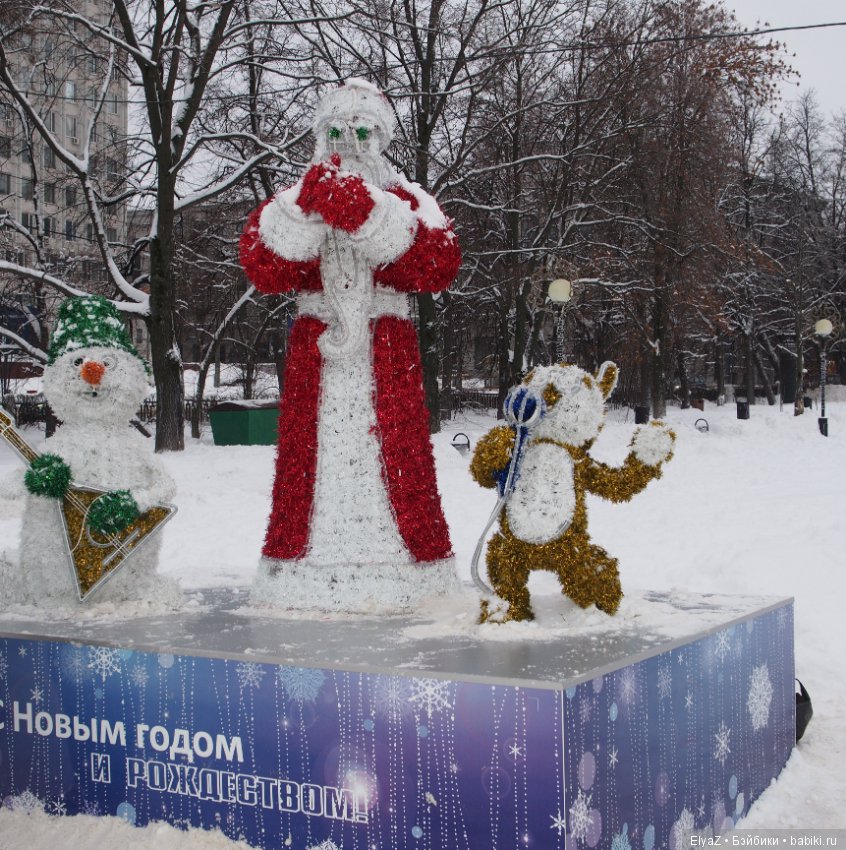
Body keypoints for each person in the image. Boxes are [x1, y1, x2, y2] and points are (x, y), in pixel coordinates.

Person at [239, 79, 461, 613]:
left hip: (387, 350)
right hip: (317, 355)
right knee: (311, 461)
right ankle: (300, 565)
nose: (350, 143)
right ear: (320, 135)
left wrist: (366, 214)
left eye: (362, 131)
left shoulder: (406, 200)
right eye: (336, 131)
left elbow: (437, 261)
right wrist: (311, 216)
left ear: (381, 136)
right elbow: (263, 264)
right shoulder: (297, 200)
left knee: (394, 457)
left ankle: (411, 567)